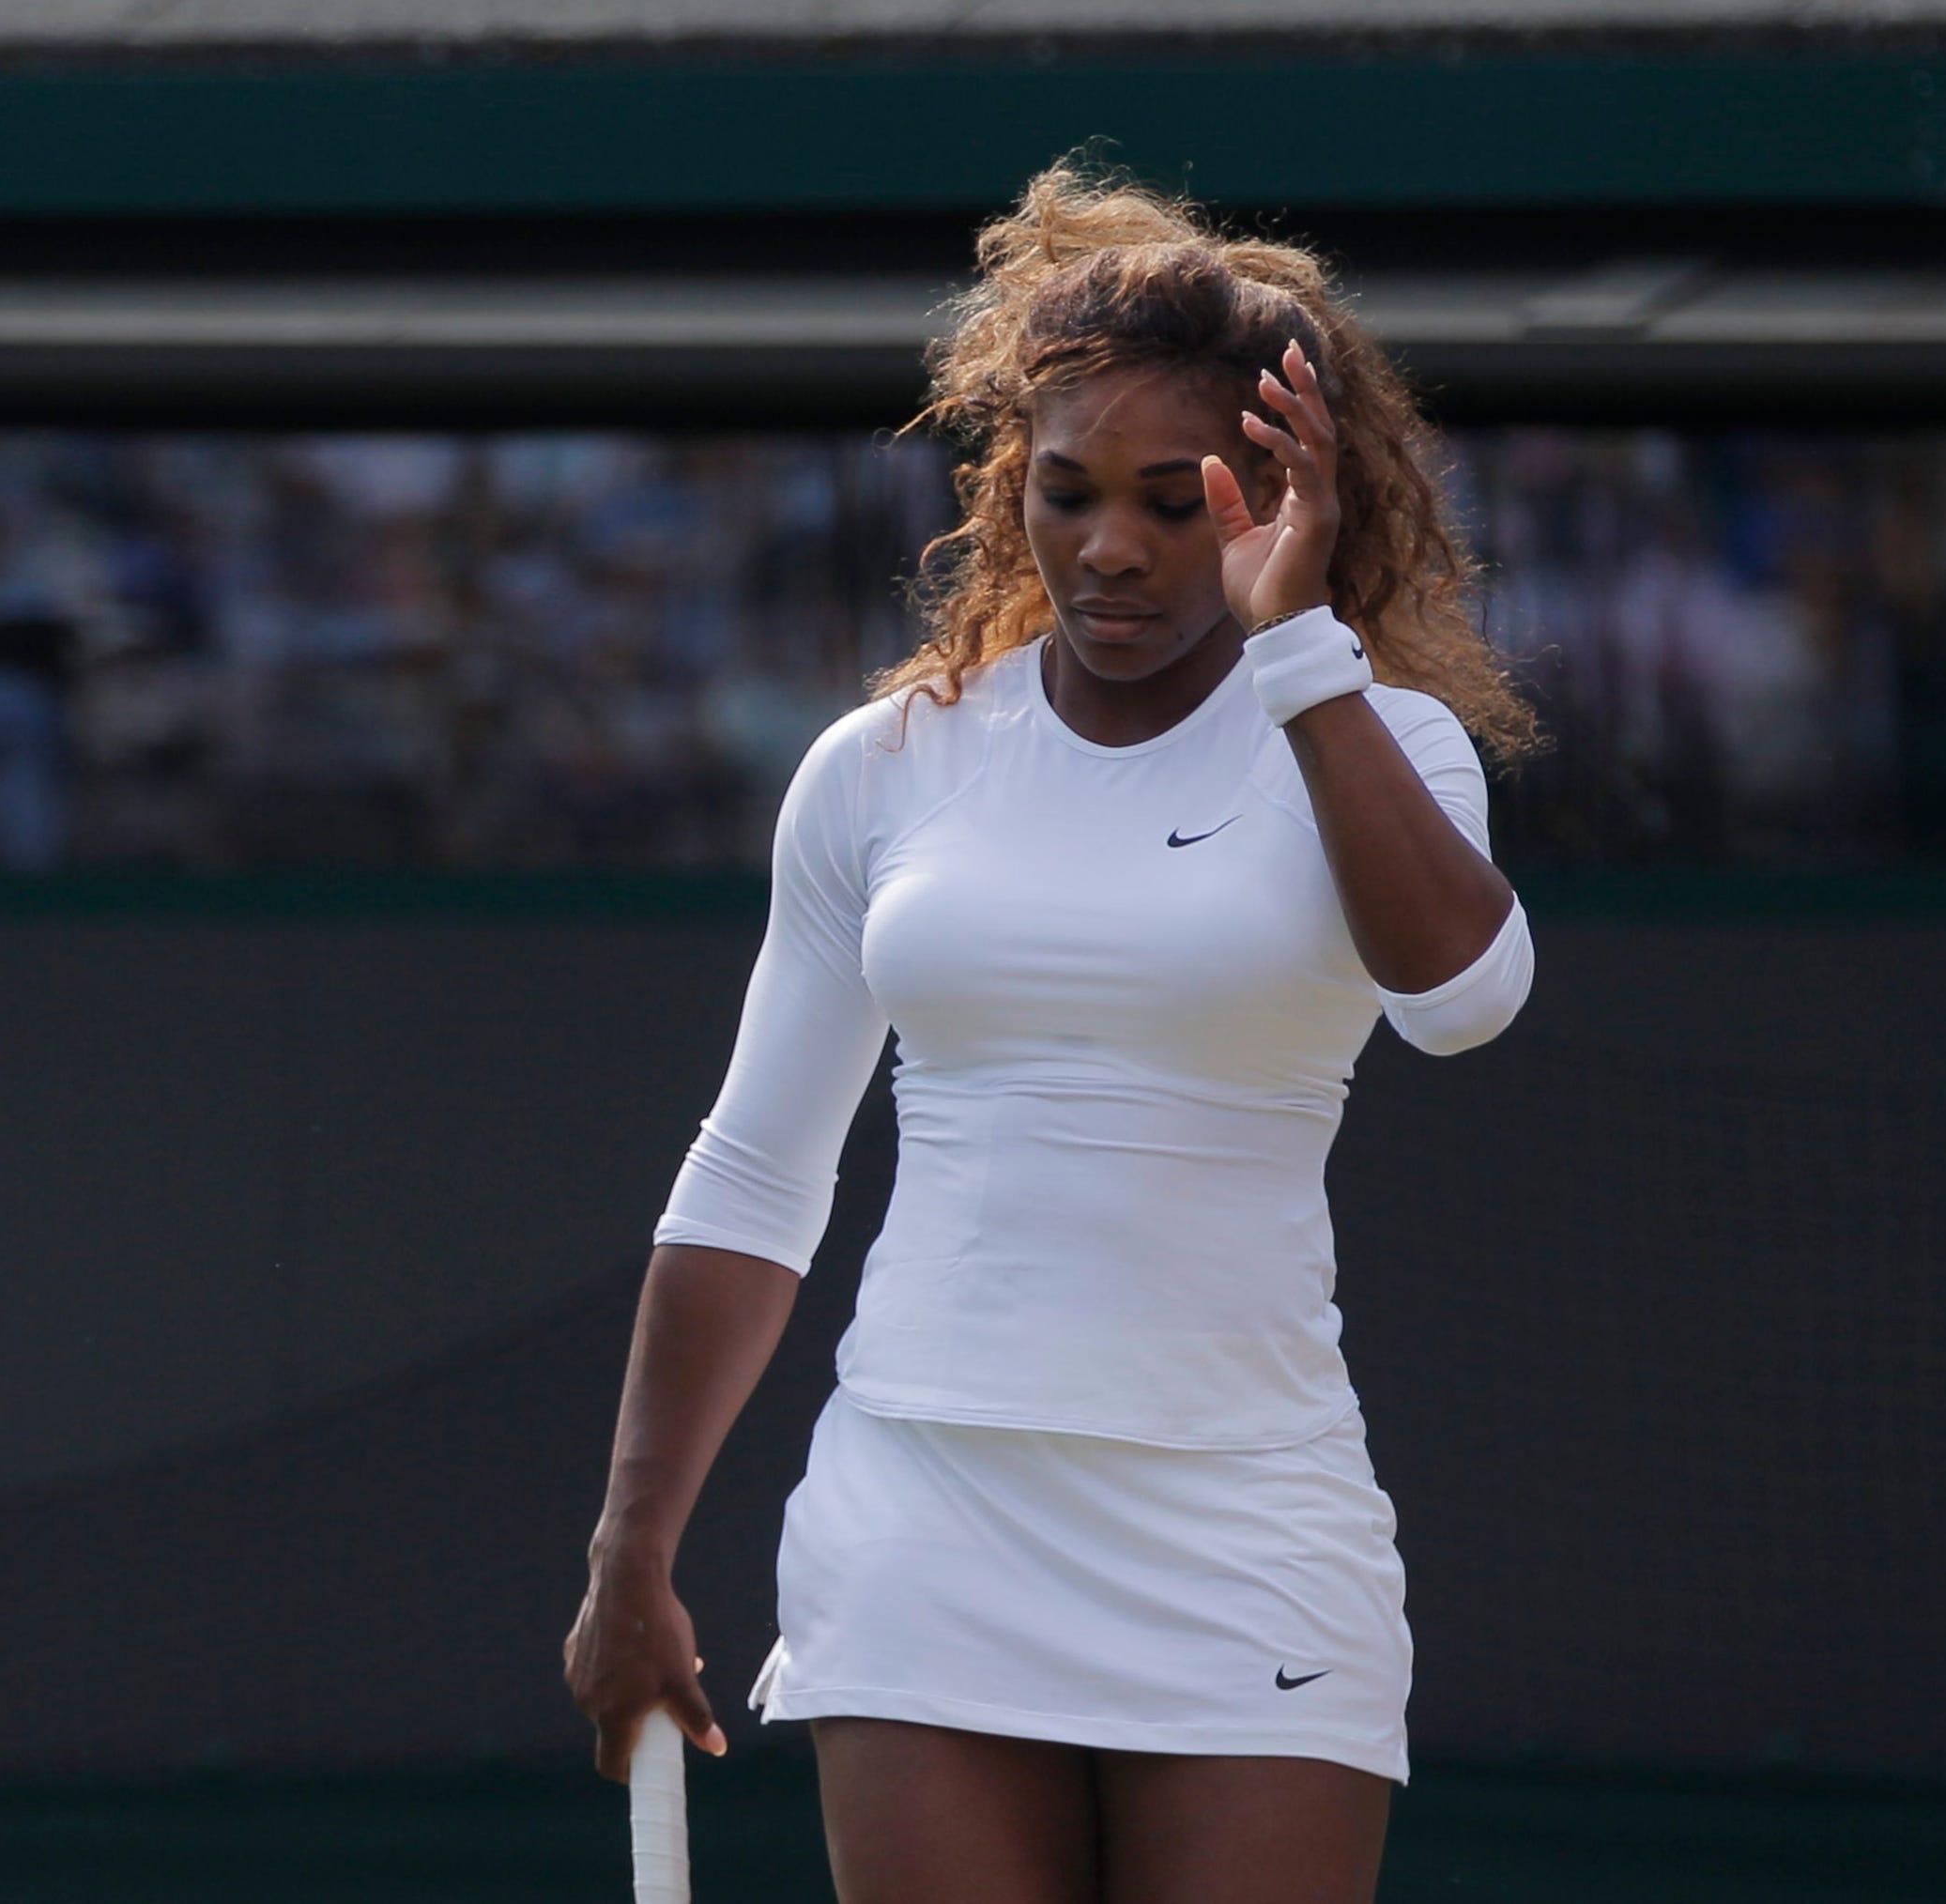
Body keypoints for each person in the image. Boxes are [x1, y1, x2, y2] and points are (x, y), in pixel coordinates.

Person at [564, 158, 1544, 1904]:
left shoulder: (1377, 744)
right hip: (926, 1509)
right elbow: (752, 1171)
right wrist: (631, 1545)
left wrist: (1300, 653)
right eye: (1068, 490)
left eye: (1179, 502)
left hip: (1251, 1522)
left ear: (1283, 494)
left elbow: (1461, 1004)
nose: (1110, 545)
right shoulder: (885, 765)